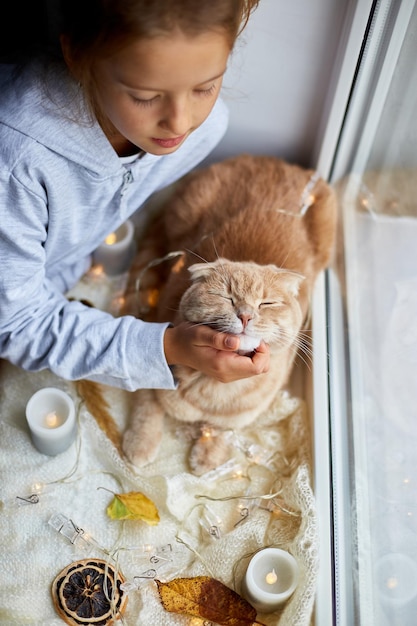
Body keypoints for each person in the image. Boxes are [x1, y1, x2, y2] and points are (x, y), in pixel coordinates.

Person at [0, 0, 270, 392]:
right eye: (145, 96)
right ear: (77, 55)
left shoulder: (206, 129)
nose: (180, 122)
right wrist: (168, 347)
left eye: (205, 87)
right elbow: (15, 323)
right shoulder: (17, 165)